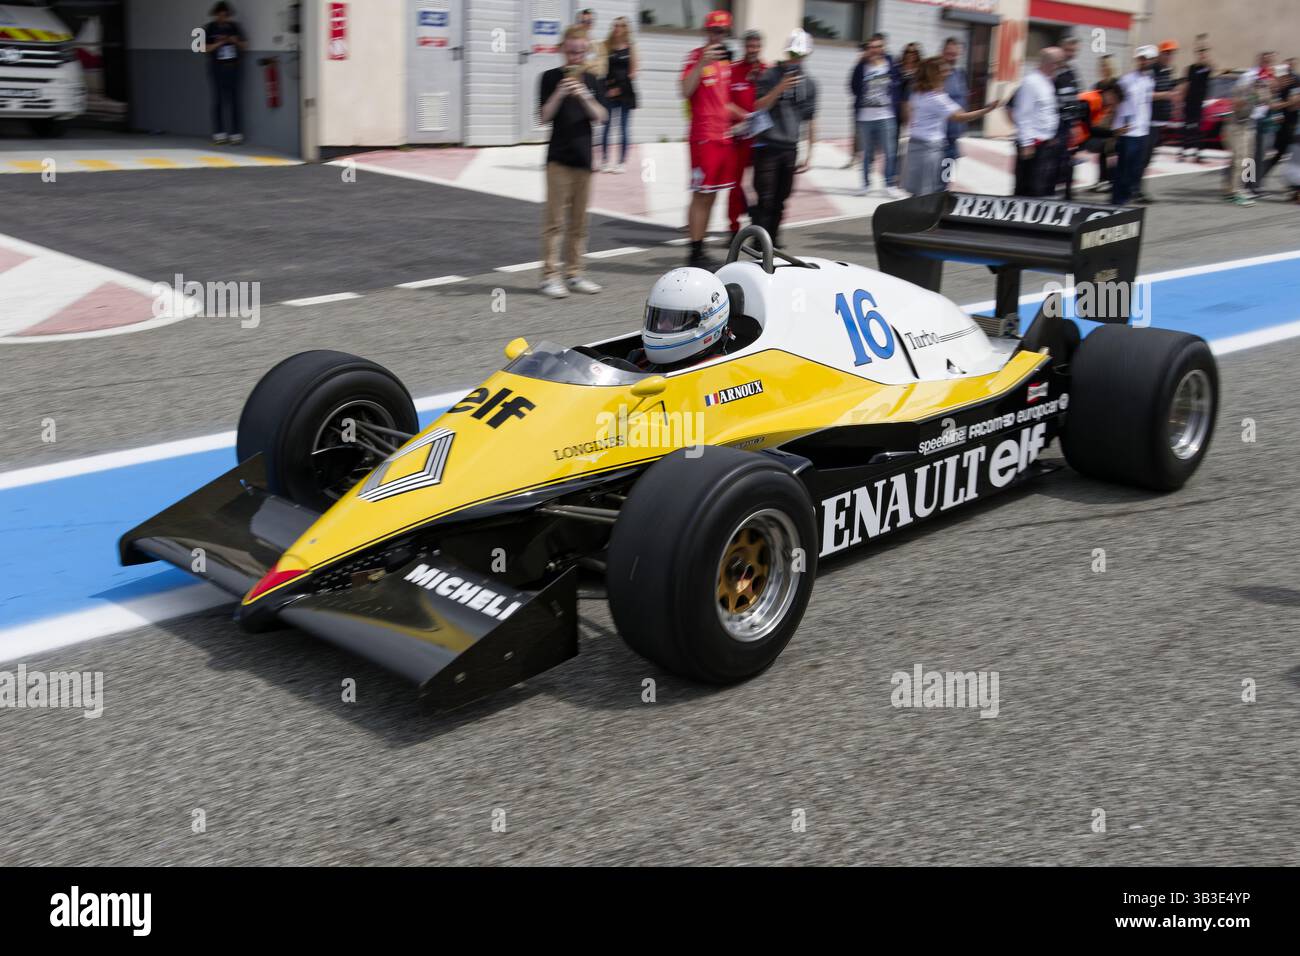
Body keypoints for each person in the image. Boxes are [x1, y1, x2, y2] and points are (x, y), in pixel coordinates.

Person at [537, 25, 608, 298]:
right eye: (571, 50)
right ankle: (549, 276)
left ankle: (575, 273)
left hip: (584, 159)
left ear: (586, 50)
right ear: (562, 49)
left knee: (579, 223)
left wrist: (584, 95)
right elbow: (543, 116)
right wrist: (560, 92)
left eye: (580, 51)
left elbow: (601, 116)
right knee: (554, 222)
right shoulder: (549, 77)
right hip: (558, 158)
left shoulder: (592, 79)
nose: (576, 56)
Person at [681, 10, 746, 269]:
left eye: (723, 31)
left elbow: (724, 103)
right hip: (703, 137)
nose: (718, 36)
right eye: (714, 31)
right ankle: (694, 251)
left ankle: (701, 246)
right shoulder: (695, 57)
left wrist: (744, 115)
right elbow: (684, 91)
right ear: (706, 31)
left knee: (712, 196)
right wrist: (700, 63)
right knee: (701, 194)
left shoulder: (726, 63)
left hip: (724, 137)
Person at [751, 29, 818, 249]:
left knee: (782, 197)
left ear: (807, 55)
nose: (795, 59)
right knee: (766, 197)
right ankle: (759, 241)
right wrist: (780, 87)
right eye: (792, 54)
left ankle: (773, 238)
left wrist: (810, 152)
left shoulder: (810, 83)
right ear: (787, 52)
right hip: (768, 144)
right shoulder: (770, 75)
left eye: (800, 55)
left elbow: (810, 118)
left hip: (790, 146)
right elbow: (758, 106)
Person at [904, 56, 998, 196]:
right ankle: (934, 209)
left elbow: (911, 112)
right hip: (932, 147)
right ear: (934, 74)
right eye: (944, 71)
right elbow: (959, 117)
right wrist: (986, 110)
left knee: (934, 181)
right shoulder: (937, 98)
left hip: (932, 143)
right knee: (932, 186)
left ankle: (936, 201)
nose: (948, 73)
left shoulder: (918, 93)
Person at [630, 267, 735, 371]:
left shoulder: (721, 372)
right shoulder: (637, 359)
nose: (661, 326)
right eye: (658, 318)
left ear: (707, 320)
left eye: (673, 321)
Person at [851, 33, 901, 196]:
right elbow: (852, 87)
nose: (874, 50)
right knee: (866, 154)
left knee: (890, 152)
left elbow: (897, 84)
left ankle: (889, 184)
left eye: (878, 46)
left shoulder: (890, 64)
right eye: (871, 47)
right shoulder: (862, 66)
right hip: (865, 117)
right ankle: (865, 184)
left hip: (886, 115)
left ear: (883, 47)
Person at [727, 30, 765, 238]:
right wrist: (742, 116)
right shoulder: (734, 70)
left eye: (756, 46)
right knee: (735, 184)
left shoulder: (767, 70)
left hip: (762, 139)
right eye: (749, 46)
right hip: (739, 137)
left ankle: (758, 225)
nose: (753, 50)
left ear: (760, 47)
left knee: (761, 184)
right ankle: (733, 228)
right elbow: (725, 101)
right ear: (744, 47)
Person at [1012, 47, 1063, 197]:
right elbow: (1023, 114)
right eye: (1058, 63)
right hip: (1032, 143)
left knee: (1039, 185)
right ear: (1050, 63)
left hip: (1044, 141)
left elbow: (1047, 112)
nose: (1060, 67)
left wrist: (1050, 135)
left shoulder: (1047, 82)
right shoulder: (1031, 82)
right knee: (1028, 186)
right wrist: (1027, 143)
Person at [1112, 46, 1157, 205]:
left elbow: (1146, 104)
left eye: (1148, 59)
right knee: (1123, 169)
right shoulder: (1126, 80)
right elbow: (1117, 102)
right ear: (1138, 60)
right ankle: (1117, 201)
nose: (1144, 62)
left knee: (1135, 169)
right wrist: (1120, 125)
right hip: (1128, 131)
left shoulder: (1149, 80)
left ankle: (1127, 198)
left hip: (1142, 130)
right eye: (1142, 59)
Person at [1223, 65, 1268, 206]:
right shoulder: (1240, 90)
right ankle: (1236, 191)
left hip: (1248, 126)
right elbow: (1237, 105)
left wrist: (1262, 91)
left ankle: (1234, 189)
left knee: (1248, 160)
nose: (1258, 83)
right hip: (1235, 126)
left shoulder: (1256, 90)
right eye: (1256, 80)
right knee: (1239, 159)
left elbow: (1266, 101)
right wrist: (1252, 95)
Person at [1140, 40, 1181, 192]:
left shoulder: (1167, 71)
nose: (1170, 56)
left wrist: (1175, 99)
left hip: (1158, 122)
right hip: (1148, 121)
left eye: (1172, 53)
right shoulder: (1152, 70)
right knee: (1142, 157)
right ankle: (1135, 189)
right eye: (1167, 53)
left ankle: (1138, 188)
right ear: (1160, 54)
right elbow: (1145, 94)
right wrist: (1167, 95)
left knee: (1148, 158)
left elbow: (1170, 91)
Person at [203, 2, 246, 145]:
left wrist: (235, 41)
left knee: (234, 100)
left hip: (233, 67)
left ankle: (235, 133)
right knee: (218, 100)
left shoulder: (235, 27)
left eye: (225, 15)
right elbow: (203, 48)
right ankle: (219, 133)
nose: (223, 18)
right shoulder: (209, 28)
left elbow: (245, 46)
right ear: (216, 14)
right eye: (220, 15)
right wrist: (218, 43)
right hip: (217, 67)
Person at [598, 16, 637, 173]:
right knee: (606, 127)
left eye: (620, 25)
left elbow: (633, 72)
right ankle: (605, 160)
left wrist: (620, 88)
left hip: (625, 92)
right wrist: (608, 88)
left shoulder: (631, 47)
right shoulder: (606, 46)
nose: (617, 28)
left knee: (624, 128)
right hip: (608, 91)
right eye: (615, 25)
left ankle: (621, 162)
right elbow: (601, 69)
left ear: (626, 28)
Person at [1053, 34, 1086, 200]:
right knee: (1054, 161)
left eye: (1073, 51)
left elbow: (1076, 96)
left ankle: (1067, 194)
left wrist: (1076, 122)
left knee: (1069, 160)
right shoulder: (1054, 71)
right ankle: (1051, 194)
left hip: (1070, 125)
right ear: (1061, 50)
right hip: (1056, 124)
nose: (1070, 53)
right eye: (1068, 50)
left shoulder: (1073, 71)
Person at [1262, 59, 1298, 182]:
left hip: (1281, 126)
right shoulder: (1269, 88)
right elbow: (1273, 105)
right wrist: (1290, 102)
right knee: (1254, 157)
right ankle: (1250, 183)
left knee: (1279, 155)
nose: (1286, 79)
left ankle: (1253, 183)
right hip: (1263, 127)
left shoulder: (1291, 86)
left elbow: (1293, 104)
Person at [1181, 40, 1213, 162]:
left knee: (1198, 128)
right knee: (1187, 127)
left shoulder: (1206, 68)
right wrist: (1182, 100)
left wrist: (1204, 52)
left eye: (1203, 52)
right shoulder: (1190, 69)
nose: (1202, 54)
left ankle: (1198, 152)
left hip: (1200, 103)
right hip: (1189, 102)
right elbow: (1186, 84)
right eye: (1200, 52)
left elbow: (1211, 67)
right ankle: (1183, 151)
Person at [941, 37, 969, 168]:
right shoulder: (936, 74)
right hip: (939, 132)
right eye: (949, 54)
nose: (952, 57)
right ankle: (936, 188)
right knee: (937, 166)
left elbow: (962, 99)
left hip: (955, 132)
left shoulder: (959, 73)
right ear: (942, 52)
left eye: (955, 54)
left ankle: (945, 187)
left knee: (949, 166)